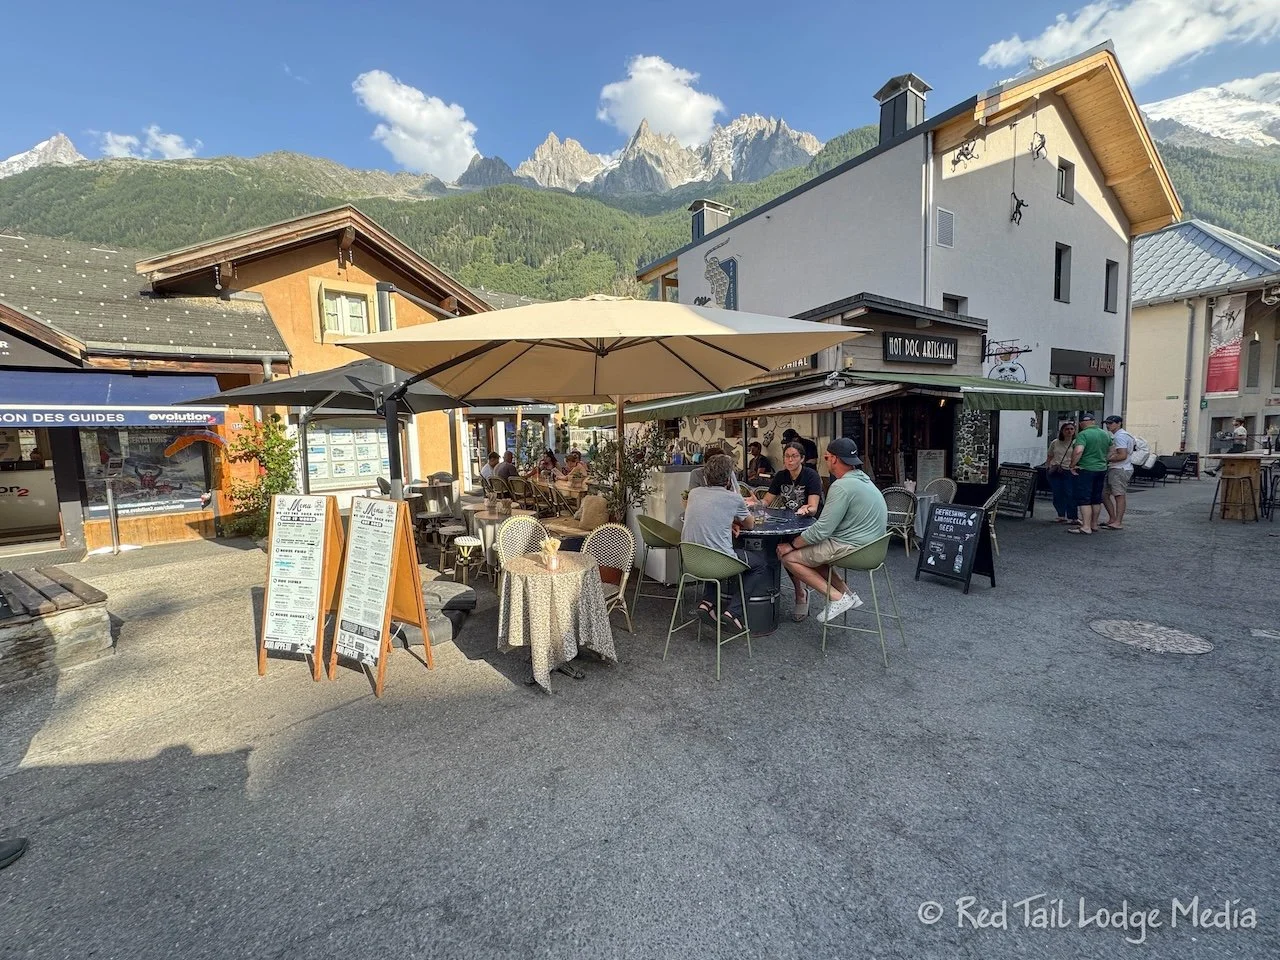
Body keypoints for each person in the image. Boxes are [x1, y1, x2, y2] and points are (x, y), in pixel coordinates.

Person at [777, 439, 887, 623]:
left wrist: (792, 545)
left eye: (827, 457)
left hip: (855, 548)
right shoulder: (864, 479)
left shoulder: (841, 486)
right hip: (874, 548)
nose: (826, 461)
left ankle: (837, 598)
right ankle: (847, 594)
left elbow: (822, 530)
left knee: (788, 558)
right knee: (810, 554)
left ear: (834, 459)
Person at [683, 454, 766, 633]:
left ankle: (707, 603)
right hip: (718, 561)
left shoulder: (694, 494)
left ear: (706, 477)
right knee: (759, 564)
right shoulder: (733, 498)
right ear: (729, 478)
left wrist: (728, 522)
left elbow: (708, 516)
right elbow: (750, 524)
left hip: (692, 559)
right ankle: (733, 612)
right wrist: (735, 516)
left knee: (714, 547)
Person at [1068, 412, 1113, 536]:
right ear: (1093, 422)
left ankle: (1086, 527)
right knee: (1096, 498)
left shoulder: (1083, 434)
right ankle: (1094, 524)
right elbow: (1112, 450)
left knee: (1085, 499)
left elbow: (1078, 451)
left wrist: (1072, 465)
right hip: (1101, 469)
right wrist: (1104, 460)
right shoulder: (1105, 434)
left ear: (1082, 423)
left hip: (1086, 469)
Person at [763, 442, 822, 517]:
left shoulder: (812, 476)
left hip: (810, 520)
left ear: (802, 458)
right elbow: (767, 500)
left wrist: (806, 510)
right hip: (789, 518)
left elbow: (813, 508)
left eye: (794, 456)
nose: (790, 460)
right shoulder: (780, 476)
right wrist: (757, 504)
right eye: (787, 456)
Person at [1101, 415, 1134, 530]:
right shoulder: (1121, 435)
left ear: (1119, 423)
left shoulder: (1120, 436)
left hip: (1119, 468)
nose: (1108, 425)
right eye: (1107, 423)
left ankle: (1118, 522)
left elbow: (1122, 455)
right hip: (1117, 468)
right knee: (1104, 494)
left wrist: (1107, 459)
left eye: (1111, 423)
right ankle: (1113, 519)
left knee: (1118, 495)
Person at [1044, 422, 1079, 524]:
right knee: (1057, 493)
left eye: (1071, 429)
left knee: (1070, 494)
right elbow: (1050, 455)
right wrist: (1048, 467)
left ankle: (1073, 517)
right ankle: (1061, 515)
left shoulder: (1076, 443)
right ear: (1062, 431)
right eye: (1067, 429)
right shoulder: (1055, 442)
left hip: (1070, 470)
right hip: (1056, 470)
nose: (1069, 431)